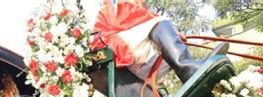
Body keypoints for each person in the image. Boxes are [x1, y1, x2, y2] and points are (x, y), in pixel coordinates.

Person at [92, 0, 229, 84]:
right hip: (121, 52)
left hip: (141, 57)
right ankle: (189, 69)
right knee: (160, 24)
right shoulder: (113, 4)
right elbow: (129, 19)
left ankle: (190, 71)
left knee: (166, 33)